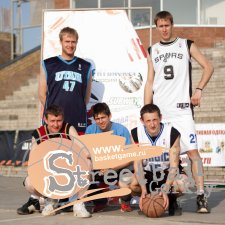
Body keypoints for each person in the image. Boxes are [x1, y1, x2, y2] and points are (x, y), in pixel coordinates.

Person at [144, 11, 214, 213]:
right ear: (156, 27)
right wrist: (145, 111)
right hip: (162, 113)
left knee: (193, 153)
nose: (164, 29)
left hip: (182, 111)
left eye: (167, 25)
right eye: (160, 26)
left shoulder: (186, 44)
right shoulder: (153, 50)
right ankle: (172, 196)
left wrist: (199, 89)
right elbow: (149, 82)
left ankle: (201, 196)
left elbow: (208, 67)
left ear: (172, 25)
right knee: (166, 158)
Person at [17, 105, 91, 218]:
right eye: (52, 121)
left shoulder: (68, 128)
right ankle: (50, 201)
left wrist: (87, 155)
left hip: (70, 171)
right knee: (29, 183)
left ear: (63, 119)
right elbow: (33, 159)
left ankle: (78, 202)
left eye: (59, 121)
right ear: (45, 120)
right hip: (49, 172)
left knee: (88, 163)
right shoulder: (38, 133)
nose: (56, 125)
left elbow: (82, 148)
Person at [131, 104, 187, 216]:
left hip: (166, 173)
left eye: (155, 120)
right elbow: (137, 164)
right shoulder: (136, 133)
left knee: (183, 184)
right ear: (142, 120)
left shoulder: (172, 133)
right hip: (148, 174)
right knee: (128, 183)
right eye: (148, 121)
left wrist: (166, 189)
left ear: (160, 118)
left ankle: (172, 199)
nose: (152, 124)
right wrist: (143, 189)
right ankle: (148, 197)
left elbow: (174, 166)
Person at [39, 26, 92, 135]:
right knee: (52, 150)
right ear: (61, 42)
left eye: (73, 42)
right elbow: (41, 94)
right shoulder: (48, 64)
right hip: (55, 121)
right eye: (67, 41)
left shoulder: (86, 66)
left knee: (78, 150)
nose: (70, 45)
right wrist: (53, 114)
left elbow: (86, 98)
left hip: (77, 118)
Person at [85, 102, 134, 213]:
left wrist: (111, 167)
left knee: (126, 179)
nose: (101, 121)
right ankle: (100, 202)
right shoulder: (90, 130)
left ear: (110, 116)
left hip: (120, 166)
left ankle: (126, 202)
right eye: (97, 118)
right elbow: (86, 154)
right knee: (84, 174)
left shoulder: (121, 130)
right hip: (100, 167)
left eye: (103, 117)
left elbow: (129, 158)